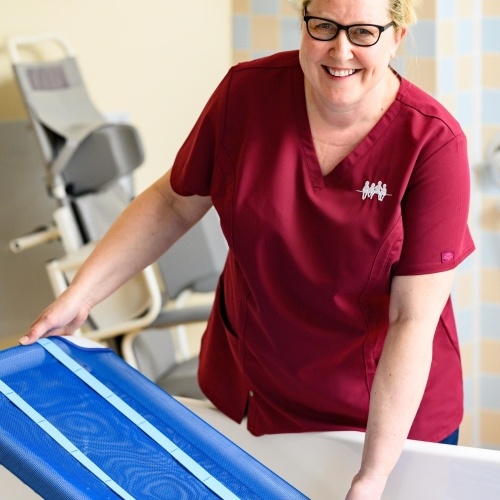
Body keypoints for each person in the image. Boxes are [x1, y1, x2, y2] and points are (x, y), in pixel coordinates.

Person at [20, 0, 475, 498]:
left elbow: (412, 319)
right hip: (253, 396)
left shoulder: (432, 142)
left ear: (397, 34)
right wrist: (80, 298)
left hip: (382, 423)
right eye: (323, 26)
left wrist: (373, 477)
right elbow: (174, 202)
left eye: (364, 32)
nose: (340, 50)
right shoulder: (247, 93)